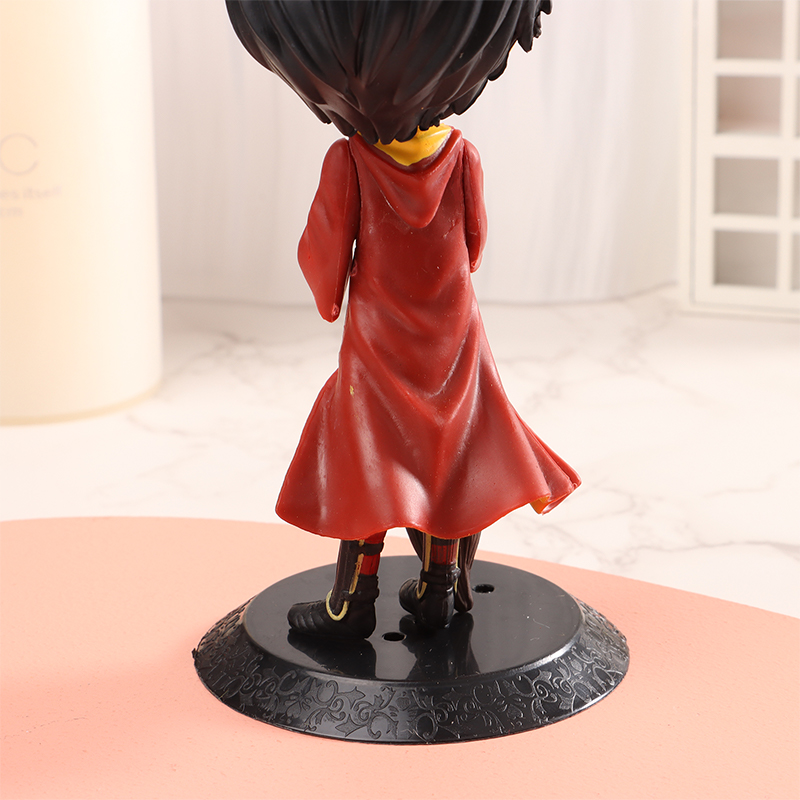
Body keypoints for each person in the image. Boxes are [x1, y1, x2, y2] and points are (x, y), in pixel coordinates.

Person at [226, 0, 579, 638]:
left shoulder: (352, 162)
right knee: (448, 452)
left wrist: (330, 296)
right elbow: (473, 243)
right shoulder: (461, 155)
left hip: (379, 338)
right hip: (452, 335)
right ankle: (438, 587)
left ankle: (351, 601)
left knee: (365, 453)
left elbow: (325, 253)